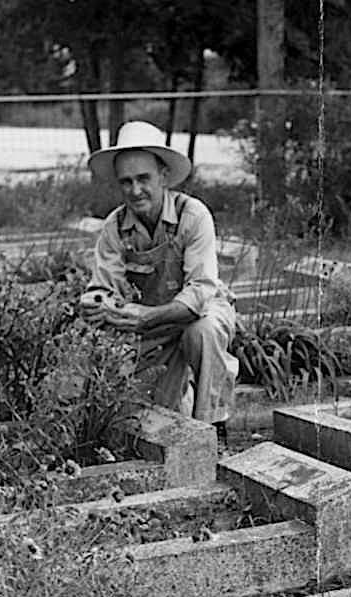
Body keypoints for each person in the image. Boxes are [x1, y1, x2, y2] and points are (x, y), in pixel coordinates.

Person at [80, 121, 238, 441]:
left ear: (163, 176)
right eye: (126, 182)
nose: (135, 190)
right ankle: (183, 400)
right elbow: (103, 285)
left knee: (202, 332)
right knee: (146, 415)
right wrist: (97, 305)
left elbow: (201, 292)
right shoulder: (115, 227)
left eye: (143, 179)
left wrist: (146, 316)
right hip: (152, 326)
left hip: (202, 311)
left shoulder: (193, 215)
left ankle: (214, 425)